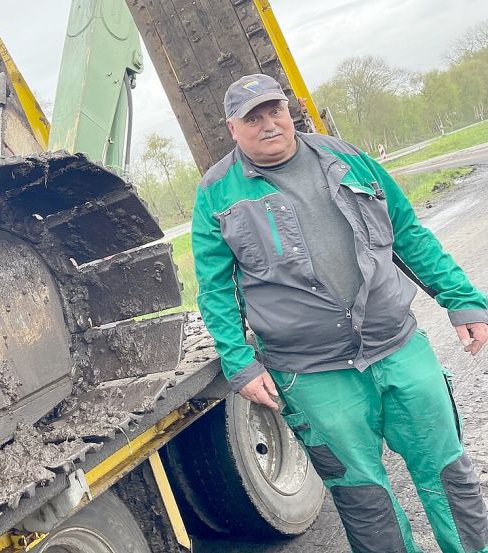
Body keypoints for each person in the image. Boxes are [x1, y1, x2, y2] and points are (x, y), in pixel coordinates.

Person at [191, 73, 488, 553]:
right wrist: (239, 363)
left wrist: (461, 299)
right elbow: (215, 289)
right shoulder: (216, 194)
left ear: (289, 113)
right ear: (232, 128)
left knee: (449, 471)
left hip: (397, 347)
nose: (268, 124)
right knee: (364, 498)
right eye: (253, 118)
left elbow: (408, 233)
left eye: (275, 111)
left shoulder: (346, 159)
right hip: (312, 371)